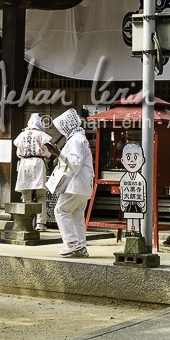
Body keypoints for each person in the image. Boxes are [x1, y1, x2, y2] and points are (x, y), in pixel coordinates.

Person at [48, 108, 93, 258]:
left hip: (75, 184)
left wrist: (58, 153)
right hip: (83, 185)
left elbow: (75, 163)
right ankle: (81, 246)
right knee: (76, 214)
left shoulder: (76, 140)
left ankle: (72, 244)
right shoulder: (80, 138)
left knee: (61, 210)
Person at [13, 113, 54, 230]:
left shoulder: (21, 135)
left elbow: (18, 152)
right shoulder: (41, 135)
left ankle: (27, 223)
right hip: (38, 163)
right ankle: (40, 223)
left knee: (26, 194)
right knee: (41, 194)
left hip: (24, 163)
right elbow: (48, 153)